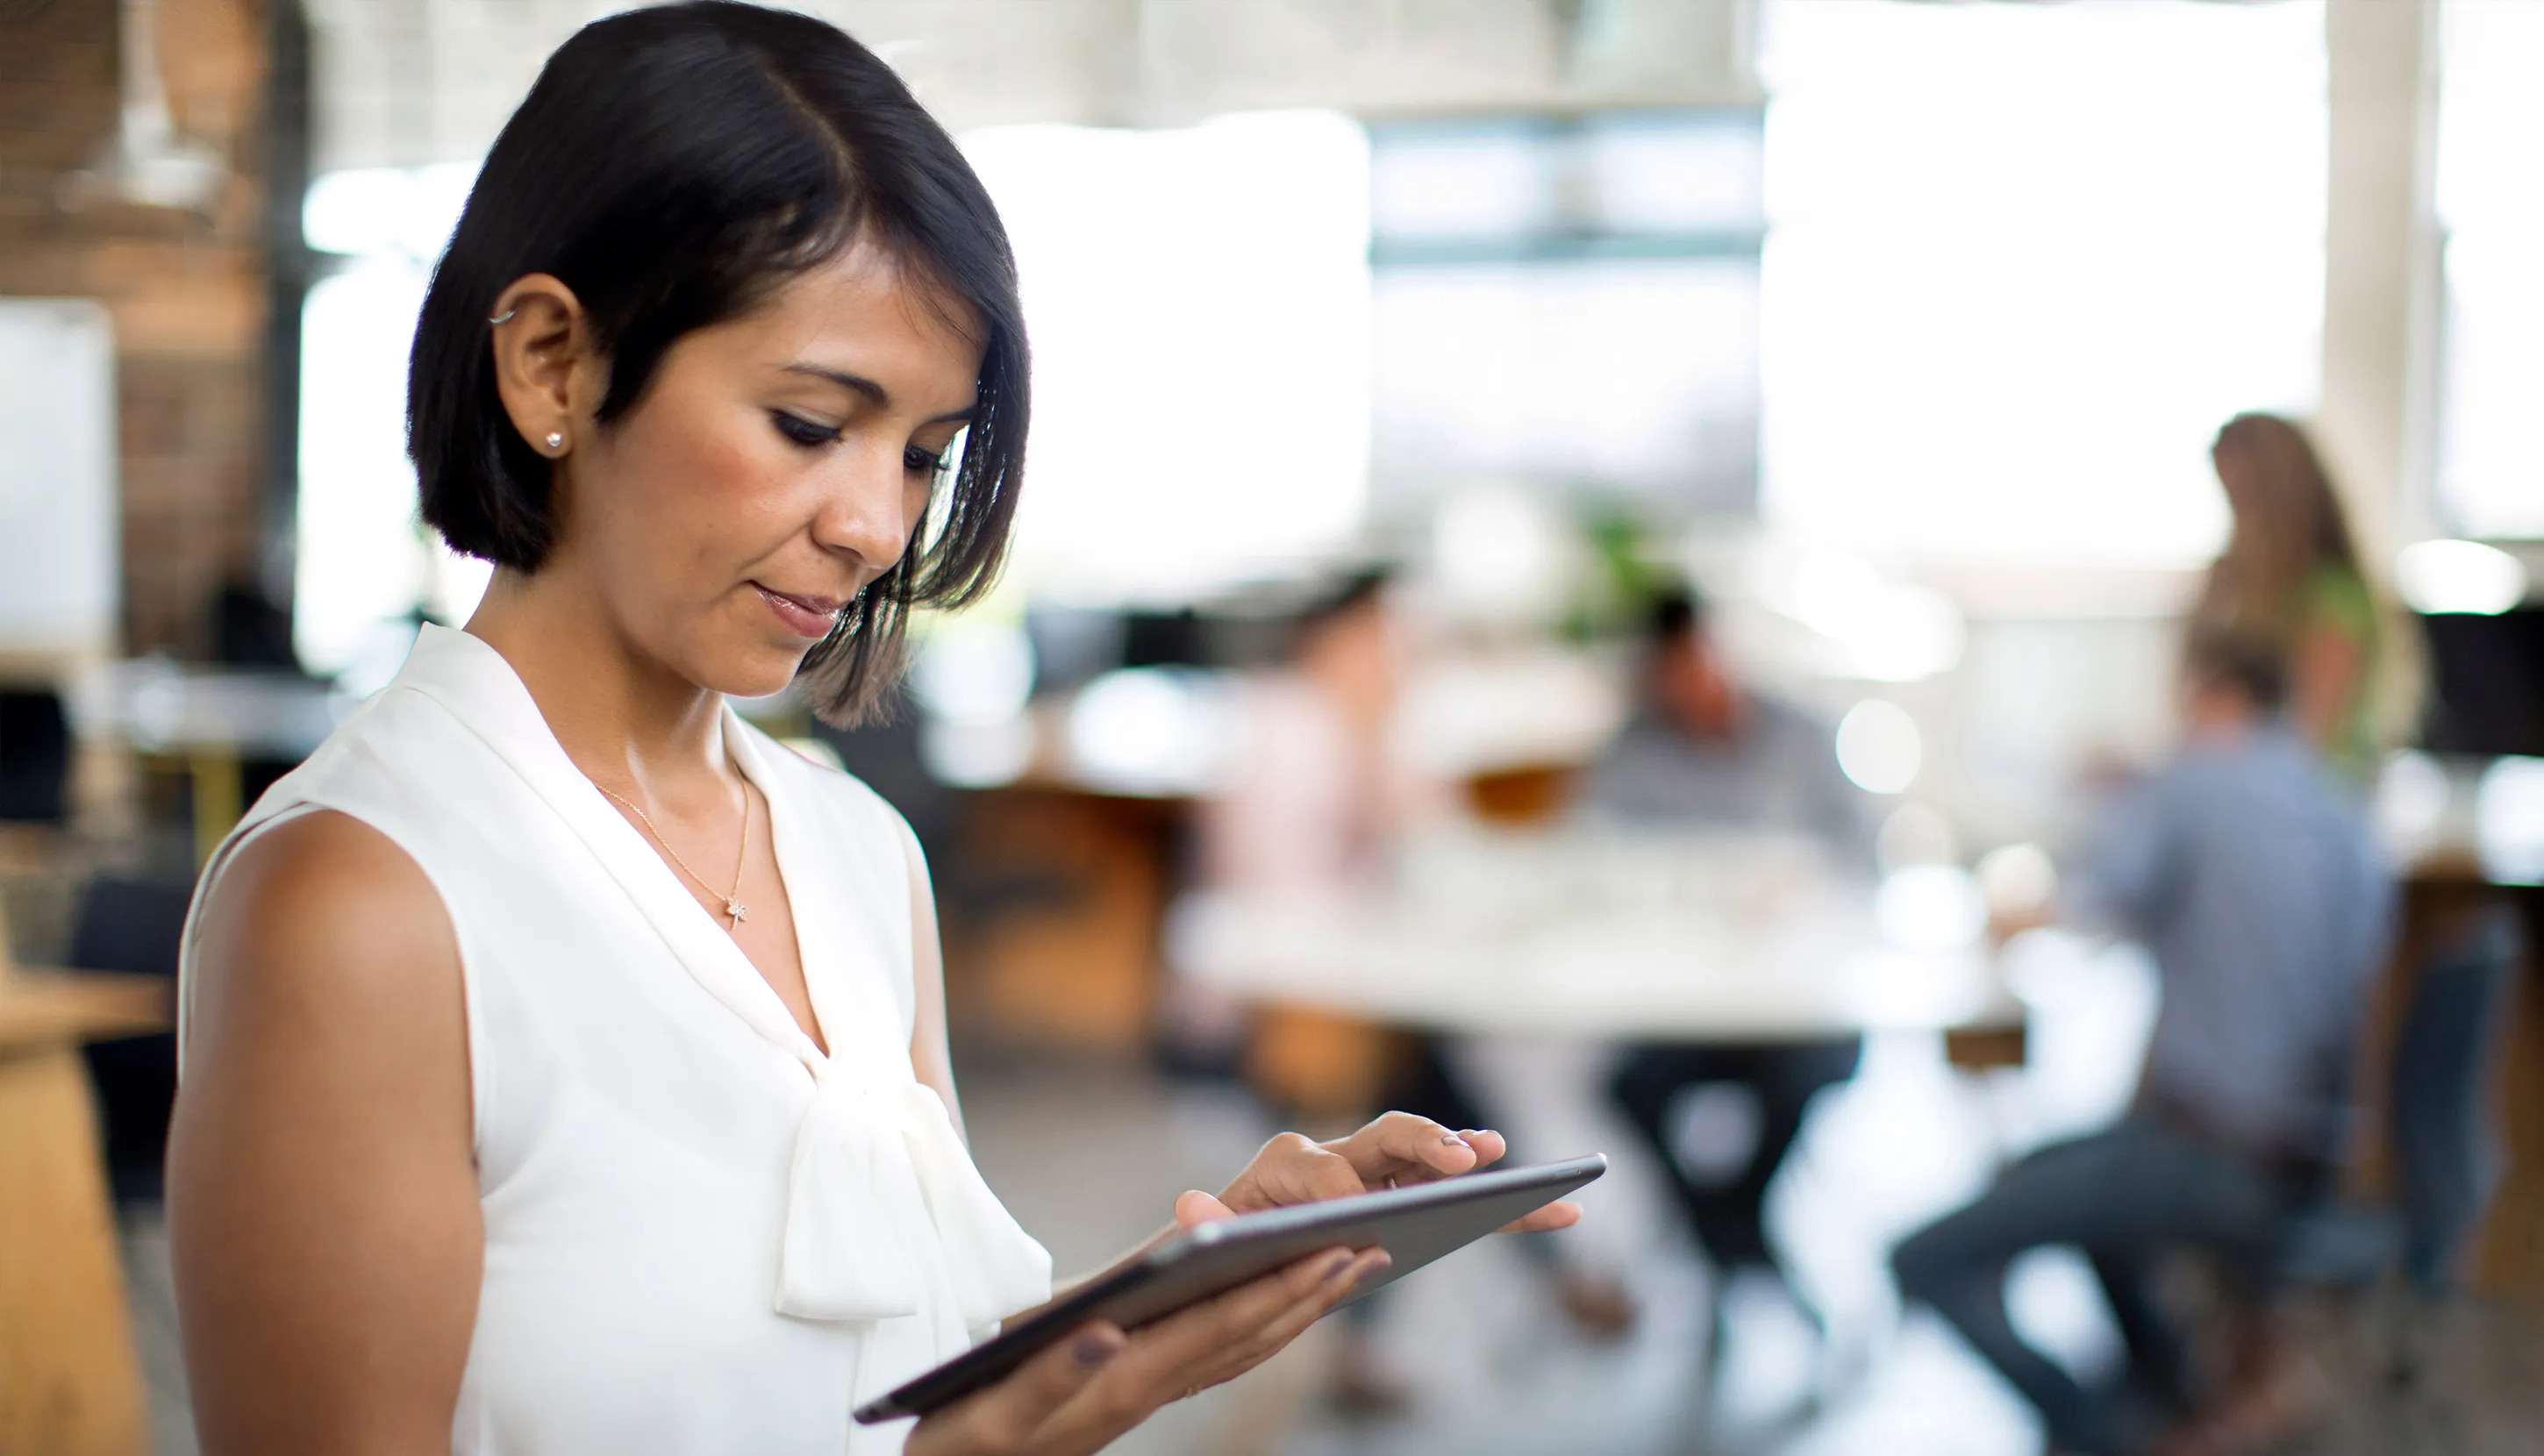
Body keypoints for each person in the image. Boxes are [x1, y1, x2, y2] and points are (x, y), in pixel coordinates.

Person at [164, 9, 1574, 1455]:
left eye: (921, 454)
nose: (875, 526)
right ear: (549, 366)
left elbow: (895, 1390)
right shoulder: (362, 908)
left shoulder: (853, 852)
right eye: (808, 423)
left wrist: (1175, 1305)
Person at [1890, 628, 2393, 1456]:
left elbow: (2078, 899)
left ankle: (2108, 1436)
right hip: (2314, 1158)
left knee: (1924, 1257)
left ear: (2213, 699)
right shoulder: (2340, 812)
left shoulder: (2198, 782)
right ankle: (2167, 1406)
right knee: (2052, 1179)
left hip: (2210, 1153)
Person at [1580, 589, 1876, 1364]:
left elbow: (1864, 866)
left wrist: (1796, 889)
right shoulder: (1633, 752)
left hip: (1796, 1010)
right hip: (1684, 1010)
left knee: (1808, 1077)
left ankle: (1729, 1237)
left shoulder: (1803, 739)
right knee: (1628, 1086)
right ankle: (1741, 1246)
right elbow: (1590, 866)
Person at [2192, 412, 2412, 782]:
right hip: (2247, 789)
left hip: (2315, 803)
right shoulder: (2240, 595)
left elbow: (2306, 745)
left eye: (2243, 503)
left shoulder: (2333, 599)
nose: (2238, 524)